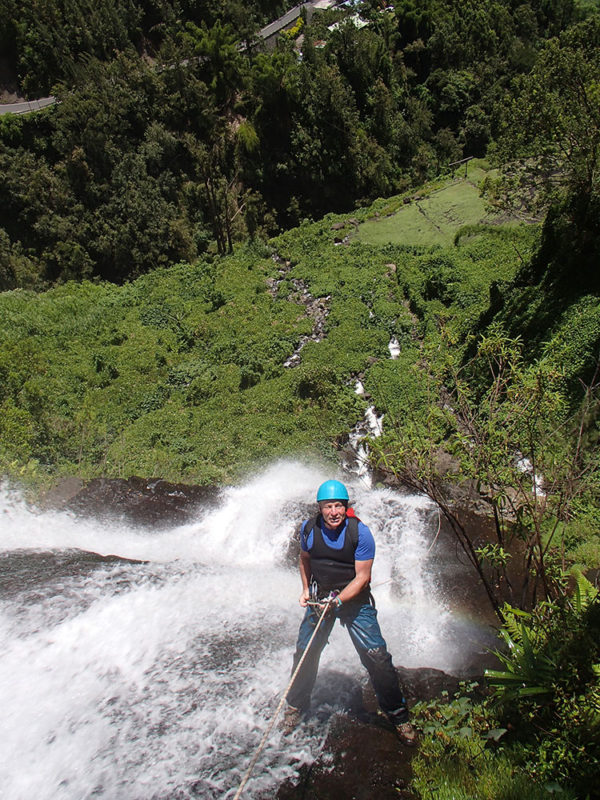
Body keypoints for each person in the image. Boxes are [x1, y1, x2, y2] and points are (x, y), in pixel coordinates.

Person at [284, 479, 416, 746]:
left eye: (339, 506)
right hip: (321, 597)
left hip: (354, 600)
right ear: (320, 508)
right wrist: (306, 590)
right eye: (328, 506)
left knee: (377, 658)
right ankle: (295, 705)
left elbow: (362, 578)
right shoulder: (309, 529)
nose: (334, 512)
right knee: (305, 652)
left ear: (346, 508)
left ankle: (398, 716)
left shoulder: (360, 533)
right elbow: (304, 559)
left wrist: (338, 602)